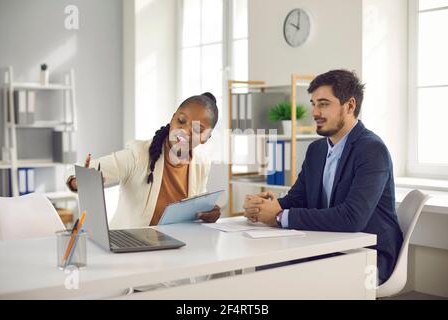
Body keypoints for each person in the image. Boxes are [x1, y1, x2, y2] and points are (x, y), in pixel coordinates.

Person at [243, 70, 403, 284]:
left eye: (324, 104)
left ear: (350, 106)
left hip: (370, 257)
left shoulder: (372, 150)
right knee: (262, 266)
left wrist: (280, 216)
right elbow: (298, 199)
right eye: (313, 103)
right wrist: (265, 207)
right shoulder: (316, 149)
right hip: (328, 246)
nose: (315, 112)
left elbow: (352, 218)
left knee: (284, 276)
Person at [67, 92, 221, 229]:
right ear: (173, 118)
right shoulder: (138, 155)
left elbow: (194, 209)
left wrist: (207, 214)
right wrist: (78, 181)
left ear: (206, 138)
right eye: (181, 121)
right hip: (130, 245)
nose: (184, 131)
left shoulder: (201, 163)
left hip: (175, 248)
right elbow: (76, 171)